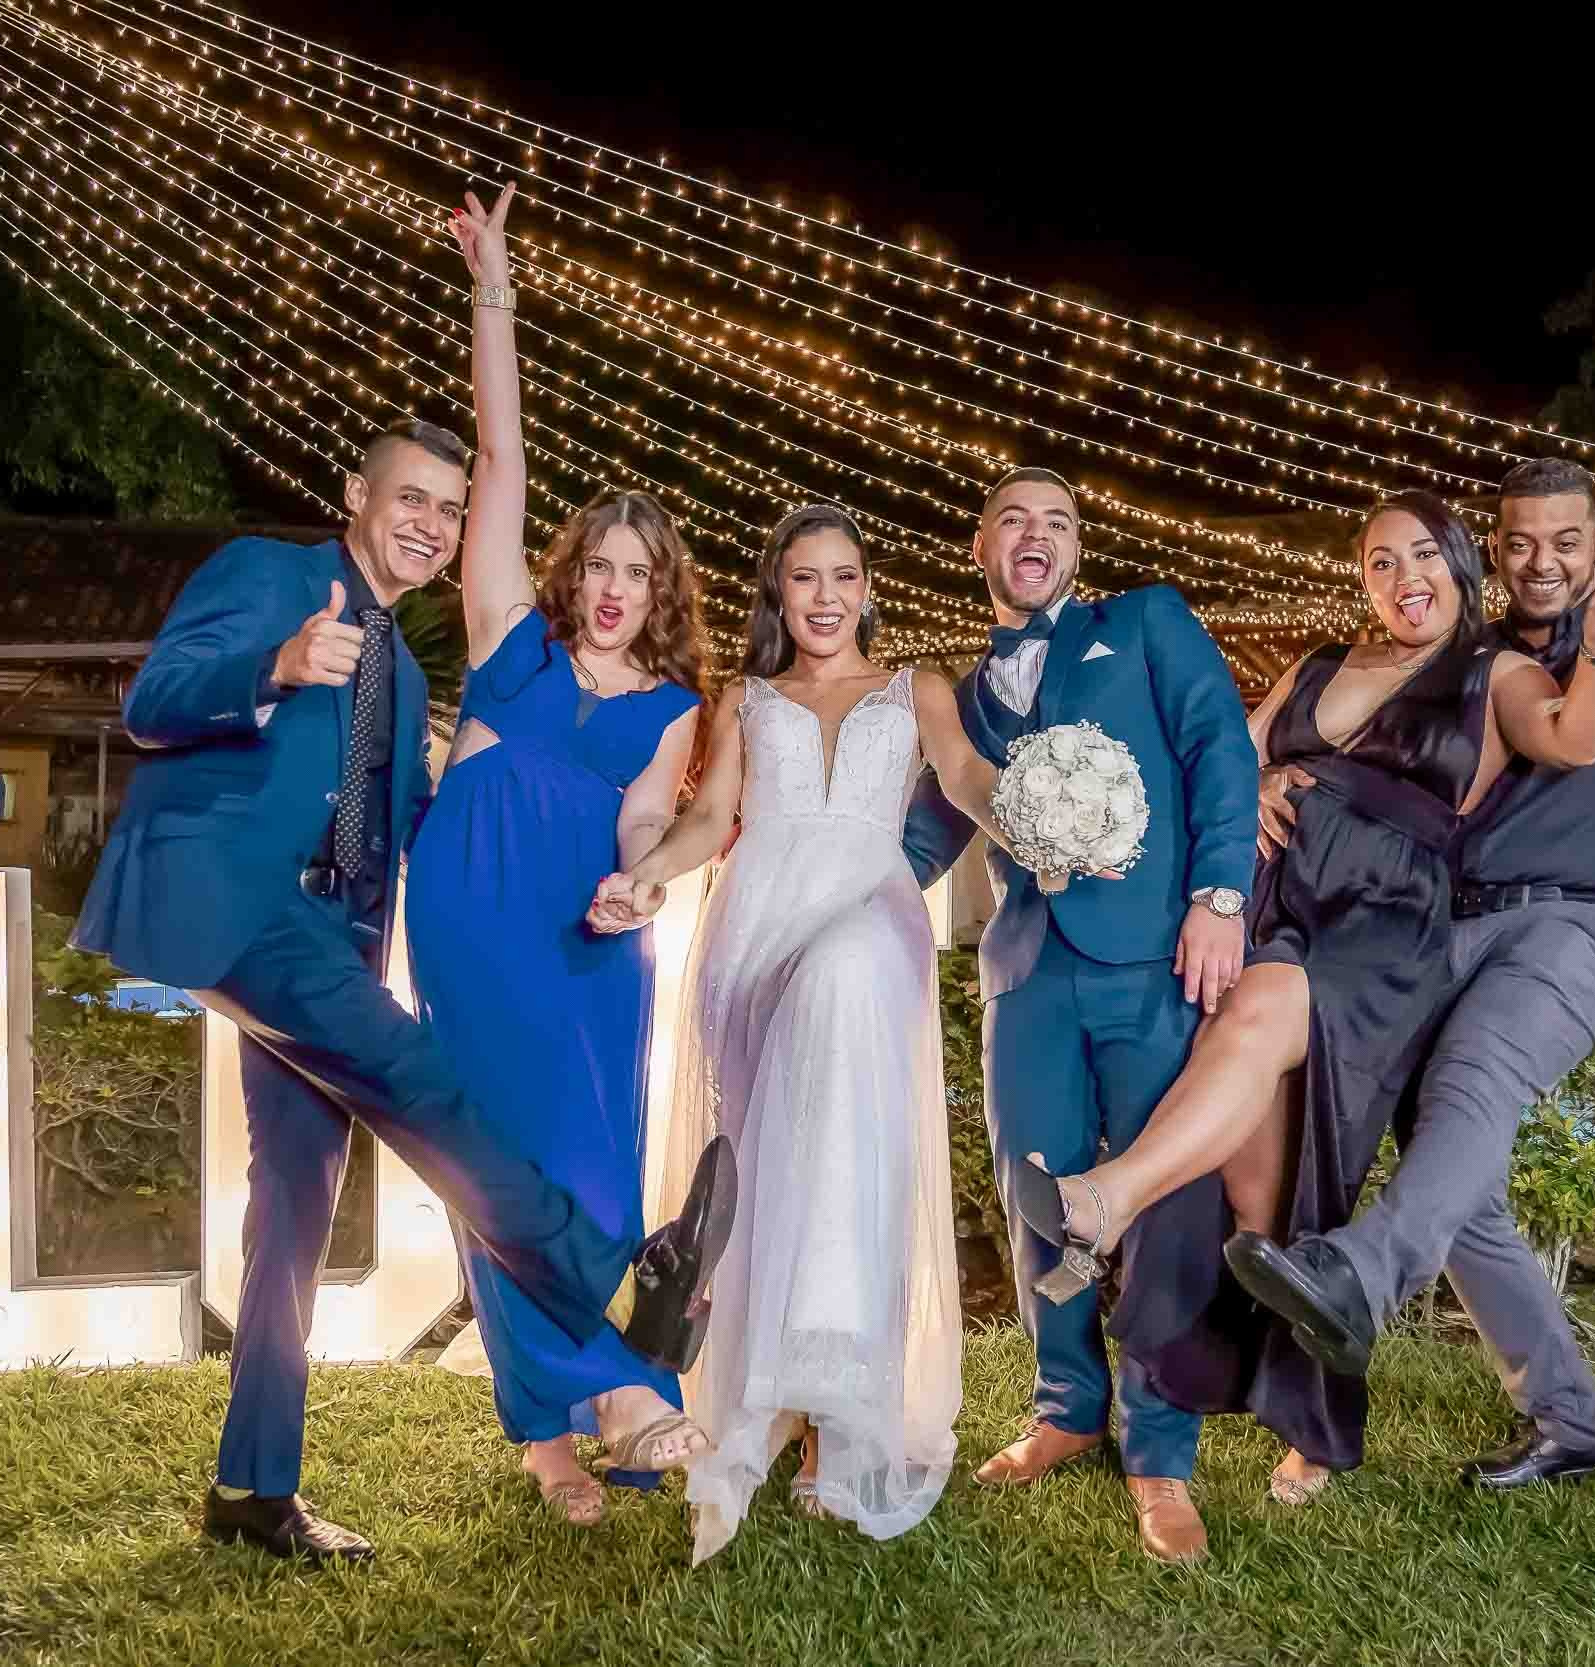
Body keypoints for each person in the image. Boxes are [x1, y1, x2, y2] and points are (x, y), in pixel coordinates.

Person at [71, 198, 737, 1561]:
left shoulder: (425, 669)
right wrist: (268, 669)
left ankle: (254, 1487)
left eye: (448, 511)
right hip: (249, 915)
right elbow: (151, 699)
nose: (433, 526)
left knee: (293, 1211)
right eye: (411, 502)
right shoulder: (274, 578)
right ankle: (622, 1288)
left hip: (342, 931)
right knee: (430, 1090)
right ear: (358, 503)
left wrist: (624, 873)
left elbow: (436, 811)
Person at [1004, 489, 1595, 1503]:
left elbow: (1573, 738)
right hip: (1277, 903)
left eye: (1423, 555)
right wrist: (1254, 789)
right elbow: (1221, 756)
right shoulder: (1313, 668)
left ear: (1457, 565)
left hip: (1381, 924)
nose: (1405, 578)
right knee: (1264, 1190)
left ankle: (1107, 1198)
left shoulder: (1494, 670)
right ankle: (1313, 1424)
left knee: (1257, 1015)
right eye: (1381, 562)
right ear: (1362, 580)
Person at [1228, 432, 1595, 1491]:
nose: (1542, 559)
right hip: (1446, 929)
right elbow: (1357, 744)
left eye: (1565, 538)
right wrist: (1275, 774)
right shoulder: (1470, 660)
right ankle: (1570, 1421)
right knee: (1454, 1173)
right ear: (1494, 554)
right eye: (1519, 543)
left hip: (1575, 926)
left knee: (1470, 1084)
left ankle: (1361, 1276)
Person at [595, 505, 1005, 1563]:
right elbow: (705, 817)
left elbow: (962, 778)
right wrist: (646, 877)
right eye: (803, 578)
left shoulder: (916, 689)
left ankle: (834, 1412)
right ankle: (772, 1400)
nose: (824, 597)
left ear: (870, 587)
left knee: (847, 1130)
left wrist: (1033, 819)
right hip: (755, 928)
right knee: (777, 1174)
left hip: (868, 916)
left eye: (844, 576)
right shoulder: (743, 699)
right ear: (777, 592)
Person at [402, 188, 713, 1528]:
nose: (610, 585)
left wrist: (637, 881)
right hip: (474, 918)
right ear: (568, 565)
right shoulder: (502, 643)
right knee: (498, 1170)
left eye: (637, 573)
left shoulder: (673, 706)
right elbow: (502, 451)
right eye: (598, 559)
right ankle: (616, 1395)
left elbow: (647, 821)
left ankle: (552, 1430)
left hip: (593, 942)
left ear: (659, 593)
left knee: (583, 1176)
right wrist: (495, 292)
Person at [898, 466, 1256, 1565]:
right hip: (1025, 967)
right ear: (980, 546)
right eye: (1011, 517)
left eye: (1055, 520)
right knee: (1033, 1184)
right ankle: (1065, 1404)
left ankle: (1161, 1447)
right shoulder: (960, 698)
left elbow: (1218, 748)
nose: (1033, 533)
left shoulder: (1143, 623)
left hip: (1155, 956)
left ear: (1077, 547)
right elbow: (921, 838)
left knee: (1160, 1196)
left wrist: (1218, 896)